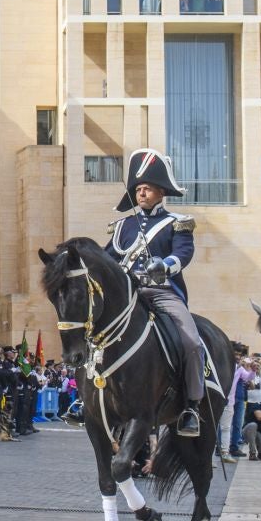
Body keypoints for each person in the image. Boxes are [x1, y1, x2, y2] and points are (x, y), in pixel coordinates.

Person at [108, 149, 209, 435]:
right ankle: (87, 399)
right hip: (129, 296)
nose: (141, 193)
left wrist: (164, 265)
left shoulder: (177, 222)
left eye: (147, 188)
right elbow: (109, 259)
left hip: (163, 293)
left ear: (160, 191)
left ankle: (191, 405)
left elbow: (183, 253)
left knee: (191, 342)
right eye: (138, 189)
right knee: (95, 338)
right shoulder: (122, 227)